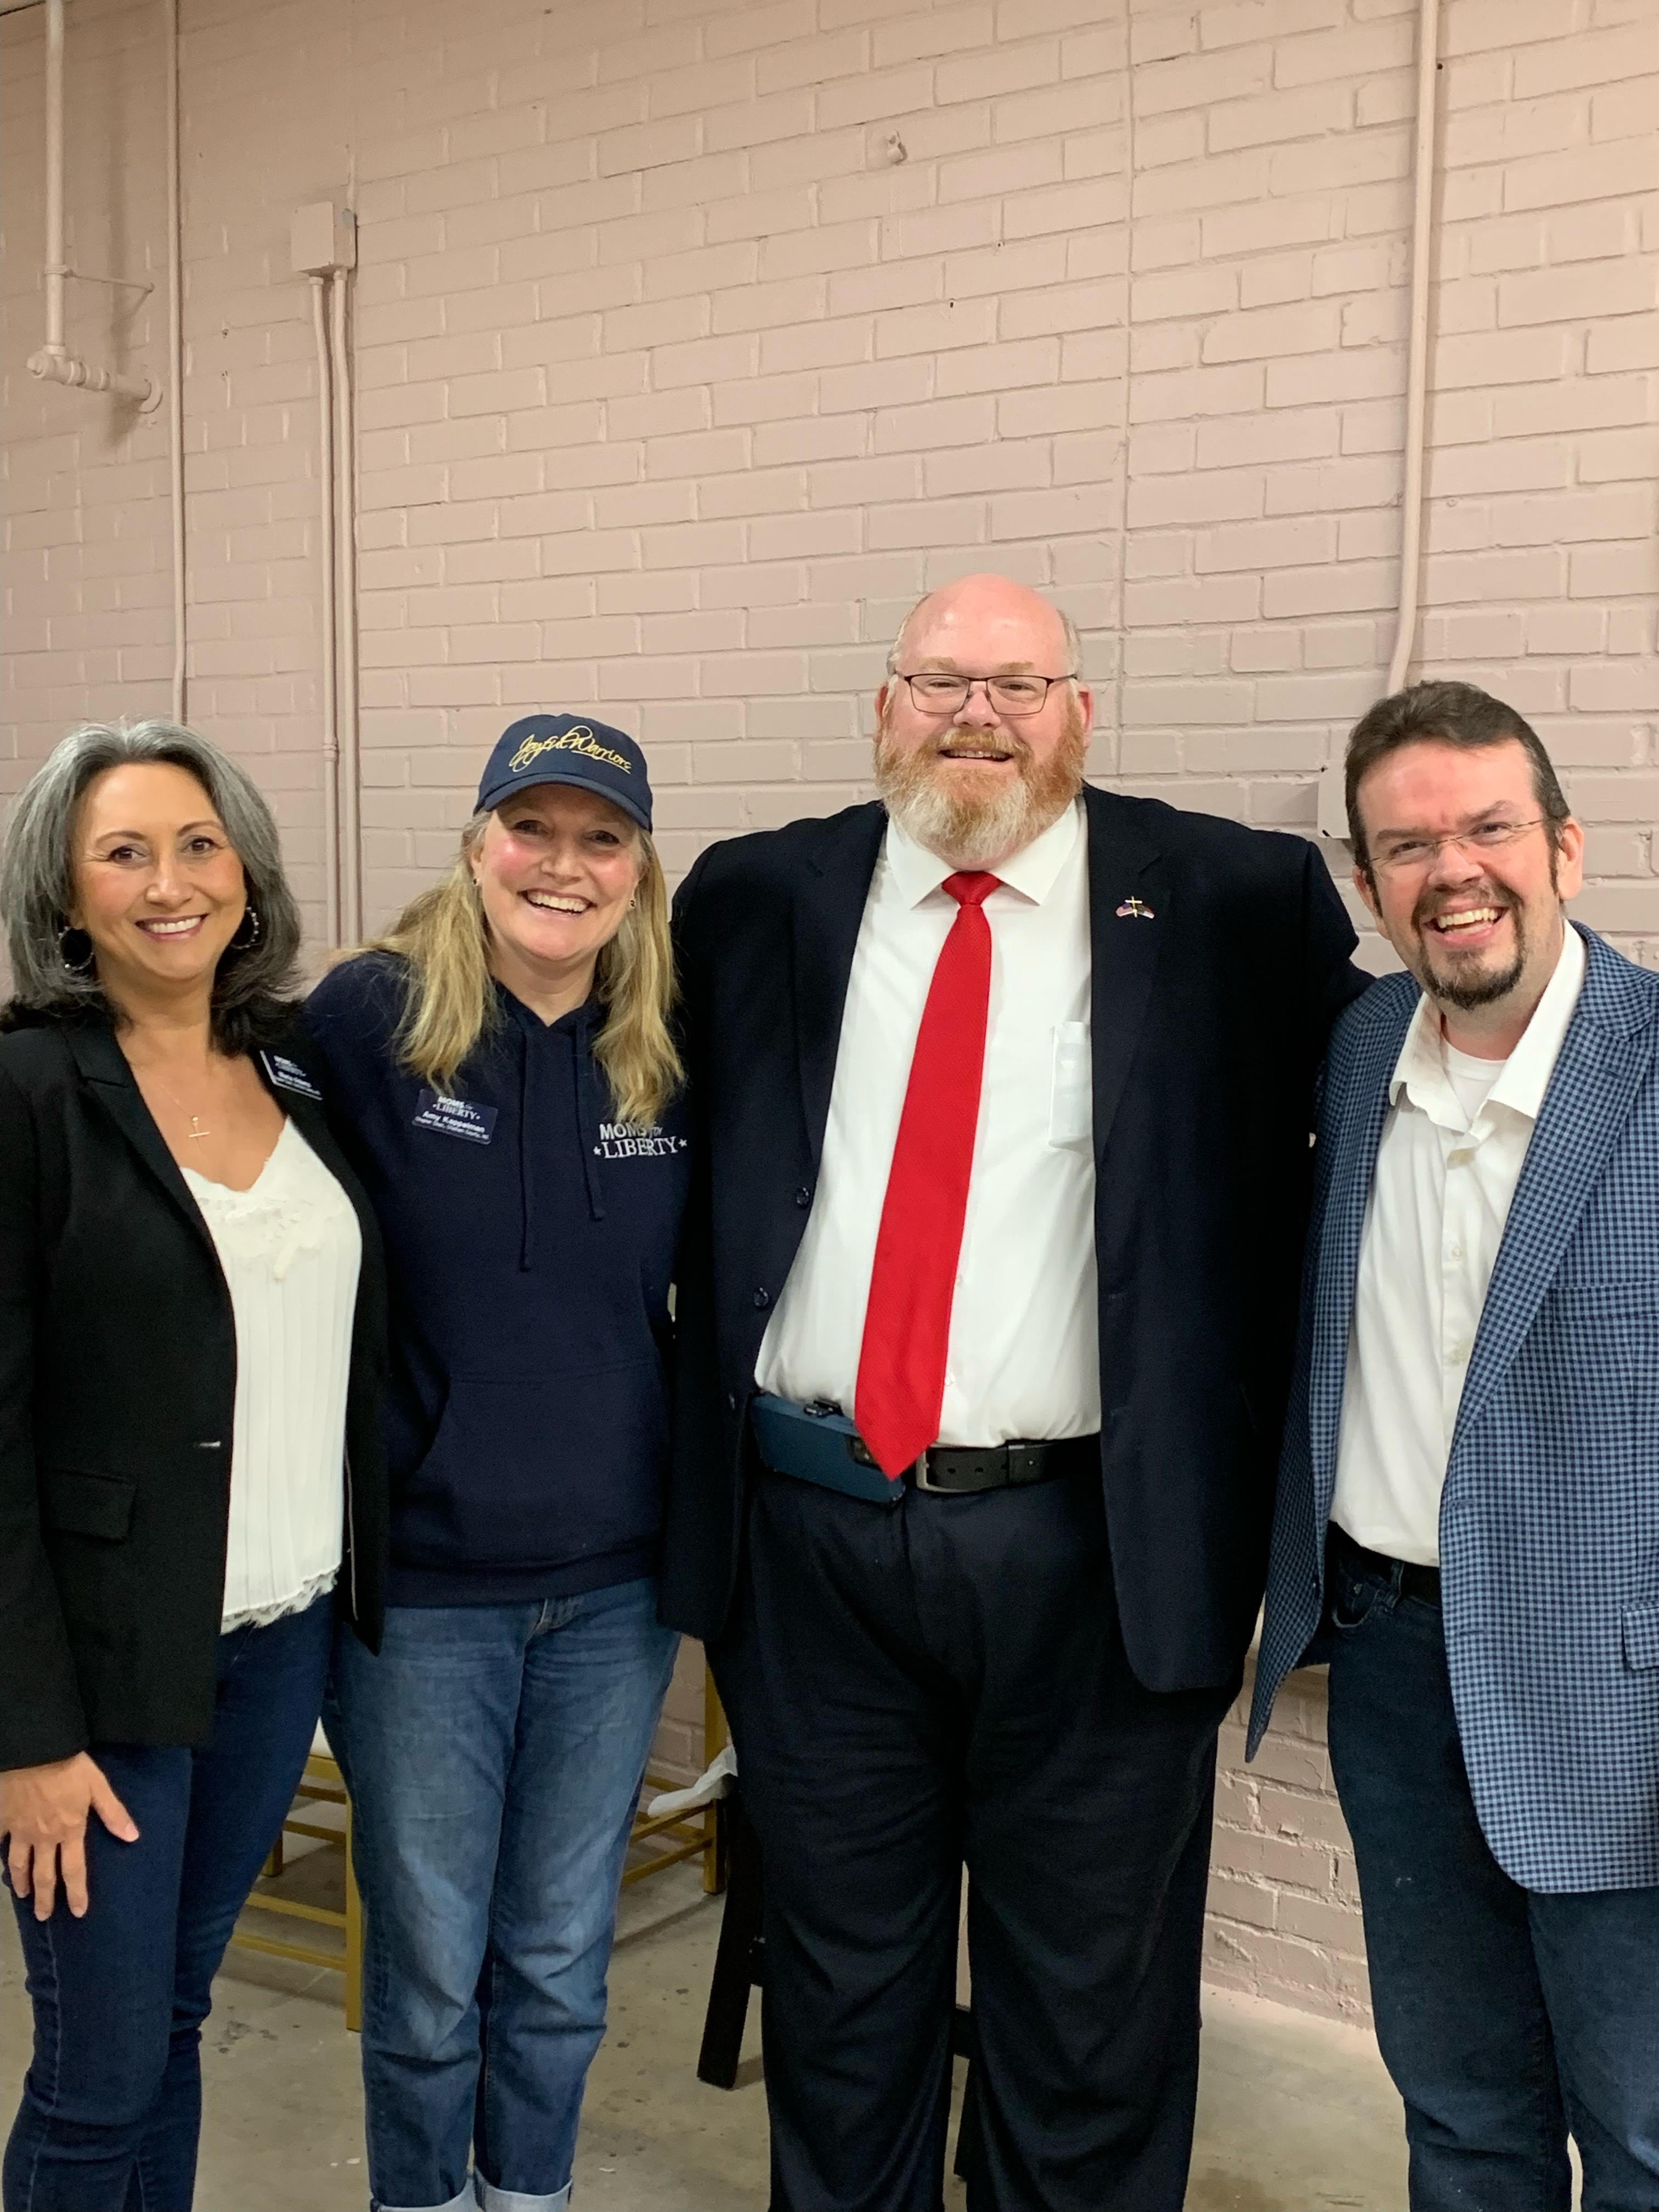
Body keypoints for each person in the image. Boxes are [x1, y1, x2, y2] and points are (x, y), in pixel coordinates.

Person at [665, 572, 1365, 2212]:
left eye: (1018, 686)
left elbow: (1395, 1099)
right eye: (940, 682)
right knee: (840, 1997)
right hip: (811, 1546)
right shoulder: (755, 896)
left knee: (1089, 2013)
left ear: (1080, 714)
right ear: (883, 708)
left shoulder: (1230, 898)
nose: (977, 716)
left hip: (1095, 1550)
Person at [1252, 681, 1659, 2212]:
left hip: (1621, 1680)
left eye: (1488, 827)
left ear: (1565, 846)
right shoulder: (1363, 1048)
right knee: (1460, 2109)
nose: (1454, 871)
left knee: (1644, 2133)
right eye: (1408, 846)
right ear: (1368, 884)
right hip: (1394, 1659)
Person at [0, 720, 388, 2212]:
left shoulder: (292, 1062)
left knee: (170, 2022)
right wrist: (28, 1738)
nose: (172, 884)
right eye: (125, 853)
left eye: (198, 845)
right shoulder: (30, 1092)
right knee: (96, 2075)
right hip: (103, 1678)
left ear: (245, 869)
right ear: (66, 893)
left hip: (278, 1641)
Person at [302, 714, 688, 2212]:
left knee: (559, 1957)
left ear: (640, 871)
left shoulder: (668, 1047)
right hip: (426, 1595)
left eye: (601, 838)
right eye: (532, 829)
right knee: (424, 1976)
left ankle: (529, 2195)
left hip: (615, 1591)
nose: (562, 865)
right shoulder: (371, 1020)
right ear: (478, 848)